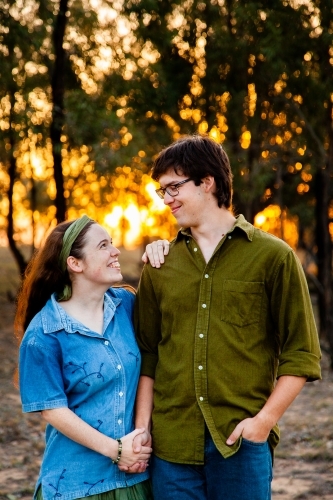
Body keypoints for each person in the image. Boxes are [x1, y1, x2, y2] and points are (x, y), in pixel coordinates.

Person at [131, 135, 322, 500]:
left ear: (207, 181)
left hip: (240, 444)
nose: (166, 199)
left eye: (174, 187)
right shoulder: (160, 264)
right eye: (162, 192)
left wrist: (263, 423)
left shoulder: (273, 257)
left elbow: (302, 353)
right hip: (172, 448)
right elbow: (148, 353)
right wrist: (143, 428)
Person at [16, 216, 166, 500]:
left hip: (136, 475)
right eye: (104, 245)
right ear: (75, 263)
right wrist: (116, 451)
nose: (116, 251)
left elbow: (149, 362)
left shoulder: (127, 306)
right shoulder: (43, 334)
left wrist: (140, 433)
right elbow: (53, 410)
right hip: (76, 485)